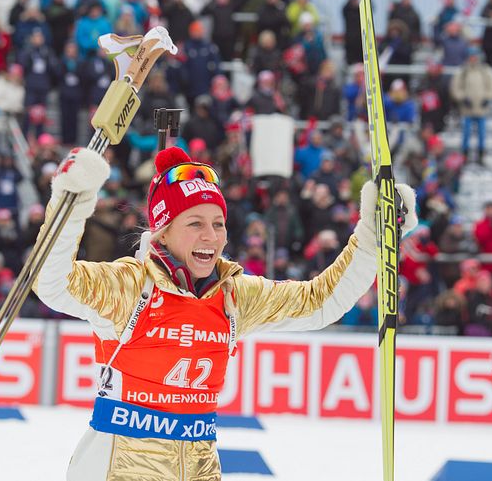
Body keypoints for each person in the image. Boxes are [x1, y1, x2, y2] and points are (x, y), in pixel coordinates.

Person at [34, 145, 418, 480]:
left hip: (200, 469)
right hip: (117, 470)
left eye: (218, 224)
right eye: (195, 223)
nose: (211, 236)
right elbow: (52, 283)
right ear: (163, 232)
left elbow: (320, 302)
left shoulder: (234, 295)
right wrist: (72, 203)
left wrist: (372, 237)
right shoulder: (131, 286)